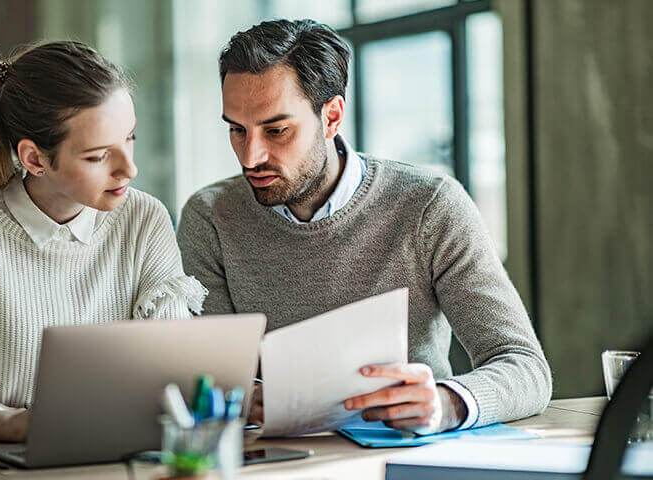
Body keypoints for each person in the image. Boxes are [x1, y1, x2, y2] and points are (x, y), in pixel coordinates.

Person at [176, 20, 552, 435]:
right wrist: (239, 394)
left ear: (332, 116)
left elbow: (525, 367)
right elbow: (208, 377)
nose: (250, 156)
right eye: (236, 129)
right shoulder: (210, 216)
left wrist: (447, 403)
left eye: (276, 130)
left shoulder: (429, 205)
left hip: (404, 453)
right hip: (274, 461)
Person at [0, 41, 206, 445]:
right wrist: (7, 426)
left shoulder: (145, 221)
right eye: (98, 156)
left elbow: (169, 391)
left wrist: (12, 416)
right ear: (35, 159)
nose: (130, 168)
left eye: (130, 138)